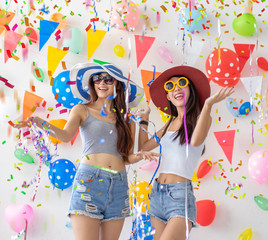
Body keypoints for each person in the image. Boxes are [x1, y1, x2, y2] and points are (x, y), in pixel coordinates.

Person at [14, 62, 161, 240]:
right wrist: (39, 122)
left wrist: (138, 156)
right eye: (97, 79)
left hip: (119, 184)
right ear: (92, 84)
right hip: (90, 181)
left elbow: (127, 157)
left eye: (108, 79)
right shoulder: (82, 109)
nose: (102, 83)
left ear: (118, 86)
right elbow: (66, 135)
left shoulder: (125, 119)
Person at [136, 65, 234, 239]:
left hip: (180, 197)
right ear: (168, 96)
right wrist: (144, 121)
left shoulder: (200, 118)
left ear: (190, 89)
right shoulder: (168, 125)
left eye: (182, 83)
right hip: (157, 194)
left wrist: (209, 104)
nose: (176, 89)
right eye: (170, 87)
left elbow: (195, 141)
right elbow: (143, 147)